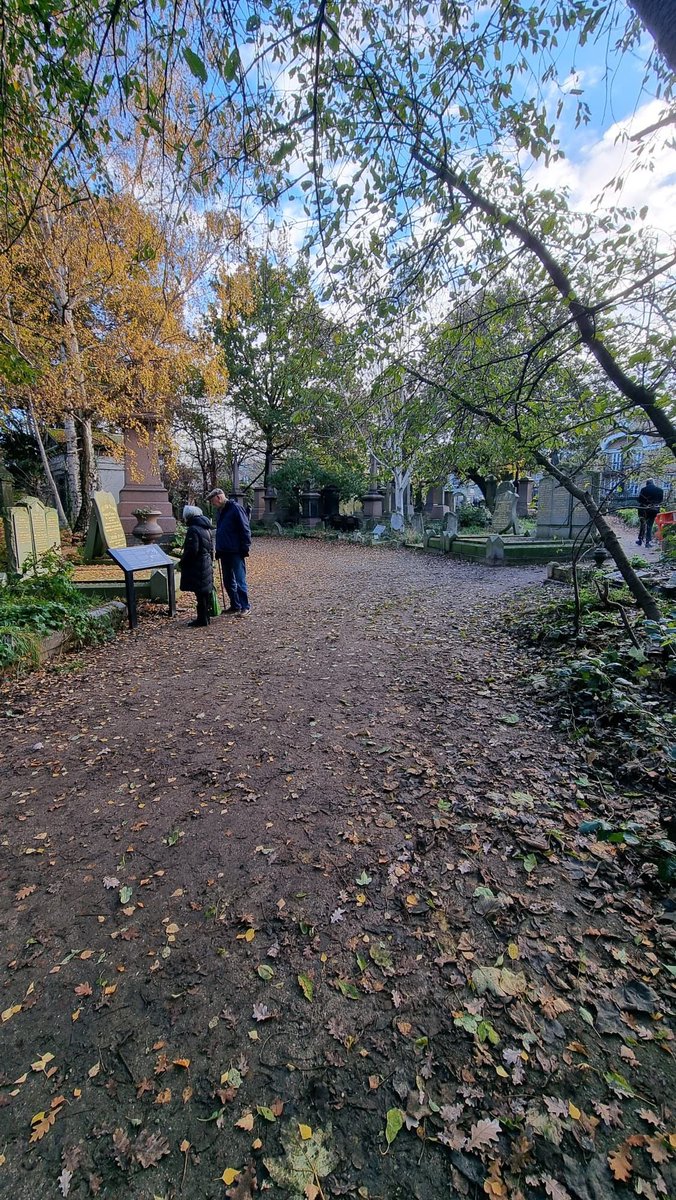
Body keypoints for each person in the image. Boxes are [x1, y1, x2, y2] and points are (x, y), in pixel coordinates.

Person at [207, 488, 252, 616]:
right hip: (224, 551)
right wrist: (219, 549)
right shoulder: (220, 511)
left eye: (212, 501)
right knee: (228, 581)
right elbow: (222, 530)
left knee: (239, 580)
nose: (212, 504)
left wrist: (245, 548)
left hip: (235, 551)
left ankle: (245, 606)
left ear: (219, 498)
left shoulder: (235, 508)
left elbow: (245, 529)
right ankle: (235, 605)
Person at [179, 504, 214, 627]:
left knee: (200, 593)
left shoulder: (193, 529)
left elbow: (192, 550)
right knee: (205, 592)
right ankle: (206, 617)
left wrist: (183, 562)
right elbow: (211, 547)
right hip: (206, 562)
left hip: (198, 564)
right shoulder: (206, 527)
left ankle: (202, 619)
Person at [636, 478, 664, 548]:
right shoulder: (660, 490)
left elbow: (640, 500)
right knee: (650, 525)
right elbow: (660, 501)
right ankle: (647, 542)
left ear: (647, 483)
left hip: (643, 510)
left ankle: (640, 540)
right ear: (653, 483)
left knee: (643, 524)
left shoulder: (643, 490)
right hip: (654, 510)